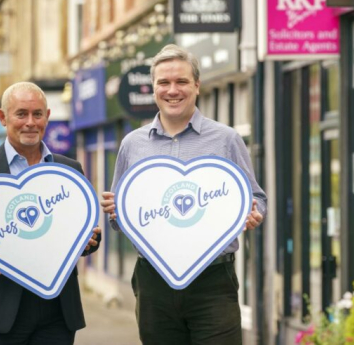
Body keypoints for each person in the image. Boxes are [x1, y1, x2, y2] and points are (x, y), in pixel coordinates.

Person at [100, 44, 267, 345]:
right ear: (153, 88)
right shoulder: (132, 144)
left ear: (197, 86)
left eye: (181, 82)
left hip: (213, 281)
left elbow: (257, 198)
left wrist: (254, 214)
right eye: (164, 82)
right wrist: (116, 210)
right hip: (154, 282)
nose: (172, 90)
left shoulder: (226, 139)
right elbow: (119, 220)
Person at [0, 82, 101, 345]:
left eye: (37, 114)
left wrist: (90, 242)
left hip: (57, 310)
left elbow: (81, 229)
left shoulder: (69, 169)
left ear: (47, 117)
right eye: (21, 114)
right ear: (3, 118)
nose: (30, 122)